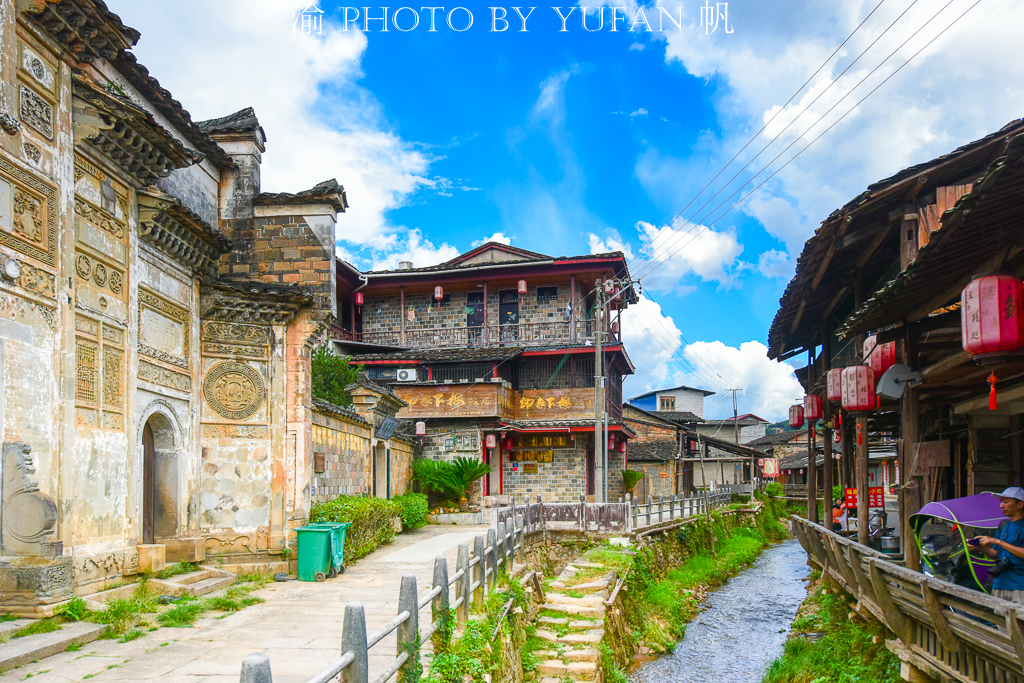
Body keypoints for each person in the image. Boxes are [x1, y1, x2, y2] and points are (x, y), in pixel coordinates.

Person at [971, 486, 1024, 605]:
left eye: (1006, 502)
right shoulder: (1003, 525)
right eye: (1001, 502)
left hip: (1020, 585)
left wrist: (998, 542)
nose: (1001, 506)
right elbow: (995, 554)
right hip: (1000, 583)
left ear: (1020, 504)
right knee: (1000, 622)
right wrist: (981, 547)